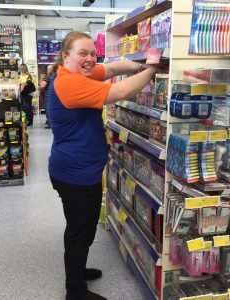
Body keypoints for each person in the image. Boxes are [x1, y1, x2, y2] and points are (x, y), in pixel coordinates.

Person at [48, 31, 163, 300]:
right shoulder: (69, 84)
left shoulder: (79, 75)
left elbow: (112, 67)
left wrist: (140, 64)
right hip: (75, 174)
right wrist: (153, 70)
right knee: (80, 232)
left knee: (81, 229)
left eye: (92, 53)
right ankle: (74, 291)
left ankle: (77, 271)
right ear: (65, 56)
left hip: (77, 169)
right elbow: (121, 89)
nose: (90, 59)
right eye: (82, 53)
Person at [40, 64, 58, 128]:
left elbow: (42, 85)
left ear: (49, 70)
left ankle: (50, 124)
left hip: (48, 96)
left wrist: (40, 86)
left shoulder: (47, 76)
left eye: (48, 69)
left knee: (48, 110)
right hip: (56, 96)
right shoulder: (56, 76)